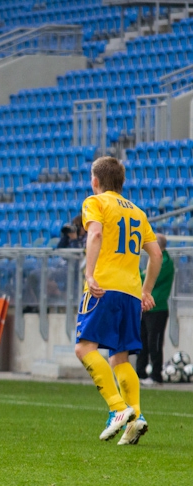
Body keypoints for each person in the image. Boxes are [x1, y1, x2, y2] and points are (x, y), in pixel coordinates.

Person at [73, 156, 161, 446]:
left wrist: (89, 274)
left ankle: (117, 408)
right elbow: (156, 254)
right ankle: (135, 418)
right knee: (120, 357)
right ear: (121, 182)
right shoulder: (138, 212)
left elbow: (95, 232)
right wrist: (146, 291)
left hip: (104, 287)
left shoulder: (95, 202)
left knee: (84, 347)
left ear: (95, 181)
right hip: (131, 293)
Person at [138, 233, 174, 386]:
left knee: (155, 343)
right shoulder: (156, 260)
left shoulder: (165, 261)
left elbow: (151, 277)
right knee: (142, 342)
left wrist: (142, 274)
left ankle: (156, 375)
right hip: (146, 308)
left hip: (158, 309)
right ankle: (139, 373)